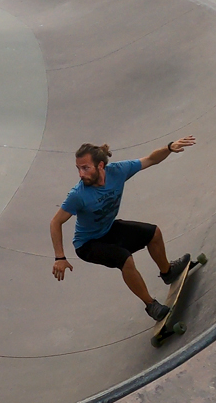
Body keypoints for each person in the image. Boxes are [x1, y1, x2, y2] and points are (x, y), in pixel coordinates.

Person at [50, 136, 197, 321]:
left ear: (101, 166)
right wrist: (60, 257)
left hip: (109, 229)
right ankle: (151, 305)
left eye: (85, 168)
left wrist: (169, 147)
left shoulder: (118, 171)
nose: (81, 174)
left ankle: (168, 272)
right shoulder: (77, 195)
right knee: (125, 259)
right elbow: (55, 222)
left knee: (154, 233)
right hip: (87, 244)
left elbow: (150, 159)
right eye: (78, 168)